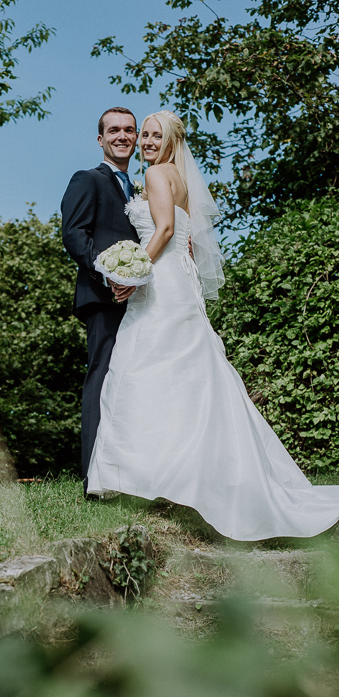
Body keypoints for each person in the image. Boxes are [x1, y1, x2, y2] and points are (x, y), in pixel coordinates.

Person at [86, 109, 339, 541]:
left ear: (169, 141)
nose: (145, 141)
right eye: (142, 135)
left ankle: (149, 477)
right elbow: (182, 233)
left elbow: (164, 229)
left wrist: (132, 271)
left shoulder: (154, 176)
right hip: (178, 280)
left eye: (153, 135)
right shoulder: (178, 177)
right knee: (186, 375)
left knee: (146, 371)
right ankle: (170, 475)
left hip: (161, 283)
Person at [61, 107, 140, 496]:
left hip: (142, 300)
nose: (122, 136)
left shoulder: (141, 188)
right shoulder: (87, 179)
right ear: (100, 139)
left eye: (129, 130)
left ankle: (132, 472)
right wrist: (109, 274)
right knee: (103, 377)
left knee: (136, 381)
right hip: (103, 296)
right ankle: (95, 476)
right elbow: (74, 234)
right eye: (114, 130)